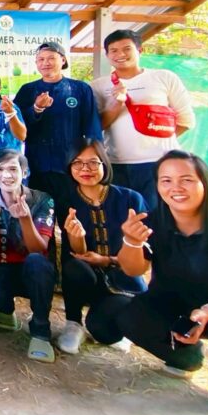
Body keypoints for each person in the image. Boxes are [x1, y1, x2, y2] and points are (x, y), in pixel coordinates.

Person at [116, 151, 208, 415]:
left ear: (204, 182)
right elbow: (133, 269)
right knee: (127, 315)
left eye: (186, 179)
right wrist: (131, 241)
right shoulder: (152, 222)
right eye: (166, 180)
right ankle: (185, 357)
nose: (175, 188)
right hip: (172, 307)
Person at [55, 139, 147, 355]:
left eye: (93, 162)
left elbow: (143, 254)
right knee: (74, 267)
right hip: (87, 276)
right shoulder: (66, 200)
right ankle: (73, 323)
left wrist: (108, 260)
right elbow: (77, 253)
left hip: (122, 279)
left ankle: (113, 322)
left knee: (103, 331)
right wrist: (77, 236)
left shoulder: (131, 199)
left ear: (105, 164)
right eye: (77, 163)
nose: (85, 169)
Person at [91, 30, 196, 211]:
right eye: (113, 50)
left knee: (159, 217)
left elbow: (185, 120)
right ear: (107, 55)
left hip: (160, 163)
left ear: (140, 50)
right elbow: (96, 126)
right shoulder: (98, 86)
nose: (120, 54)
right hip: (116, 164)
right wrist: (116, 104)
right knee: (123, 216)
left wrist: (156, 142)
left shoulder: (164, 78)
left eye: (127, 49)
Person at [0, 149, 57, 362]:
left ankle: (40, 331)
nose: (6, 175)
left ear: (25, 172)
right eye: (0, 169)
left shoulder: (42, 200)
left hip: (33, 270)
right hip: (2, 268)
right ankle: (6, 308)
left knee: (37, 263)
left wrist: (25, 218)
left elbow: (38, 249)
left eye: (13, 169)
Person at [14, 42, 102, 209]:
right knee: (40, 214)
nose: (45, 63)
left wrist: (94, 160)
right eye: (41, 59)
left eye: (51, 58)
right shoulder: (27, 90)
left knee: (72, 213)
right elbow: (18, 126)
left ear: (63, 60)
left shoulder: (80, 89)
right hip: (37, 165)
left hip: (70, 165)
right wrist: (36, 109)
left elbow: (92, 127)